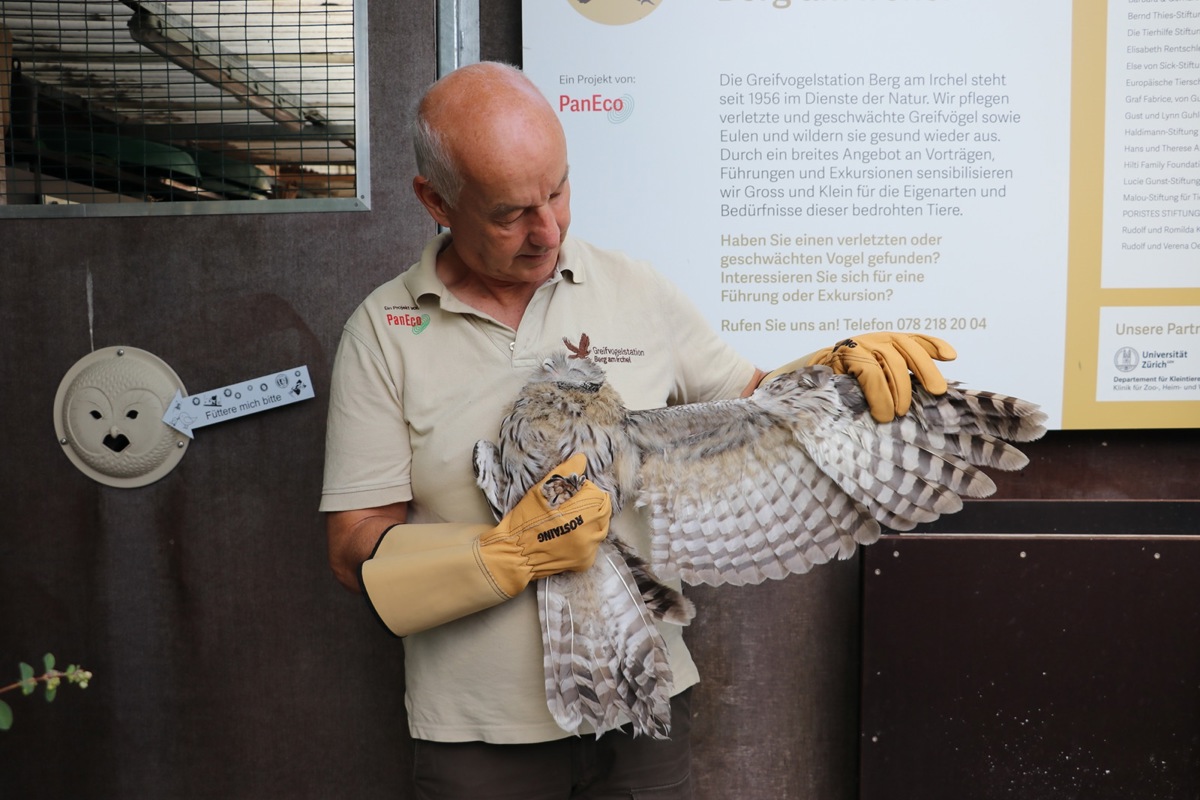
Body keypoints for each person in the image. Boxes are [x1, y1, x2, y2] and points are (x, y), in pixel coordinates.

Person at [321, 61, 954, 799]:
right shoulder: (383, 330)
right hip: (478, 732)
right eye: (508, 213)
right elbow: (352, 545)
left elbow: (757, 406)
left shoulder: (635, 290)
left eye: (557, 190)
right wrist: (500, 554)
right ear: (436, 200)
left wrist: (833, 371)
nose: (546, 229)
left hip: (641, 698)